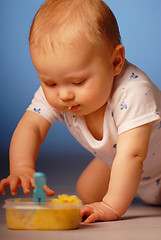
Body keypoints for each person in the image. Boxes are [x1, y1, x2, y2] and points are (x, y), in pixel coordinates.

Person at [0, 0, 161, 223]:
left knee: (114, 188)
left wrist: (111, 206)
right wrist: (22, 166)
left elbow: (132, 155)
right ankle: (127, 188)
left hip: (145, 160)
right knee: (87, 191)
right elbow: (32, 126)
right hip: (118, 160)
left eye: (78, 81)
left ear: (115, 62)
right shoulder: (61, 89)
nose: (64, 95)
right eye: (50, 83)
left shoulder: (134, 92)